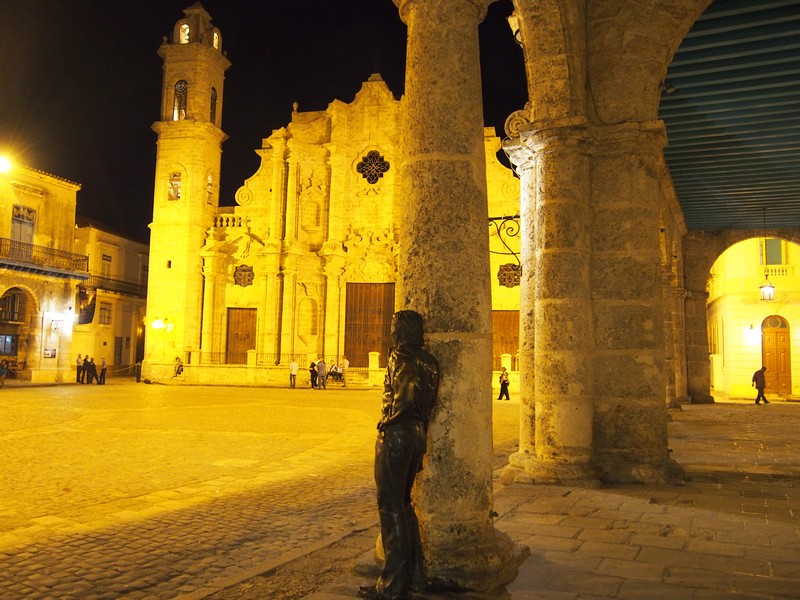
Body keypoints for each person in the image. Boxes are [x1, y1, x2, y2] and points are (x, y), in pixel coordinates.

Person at [359, 310, 440, 600]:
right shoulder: (430, 361)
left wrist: (386, 424)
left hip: (396, 436)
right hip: (417, 434)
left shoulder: (400, 356)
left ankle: (391, 585)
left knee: (389, 506)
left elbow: (403, 396)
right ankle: (415, 576)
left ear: (400, 331)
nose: (392, 333)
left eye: (394, 328)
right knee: (404, 505)